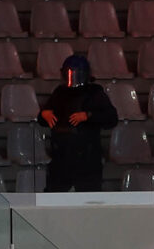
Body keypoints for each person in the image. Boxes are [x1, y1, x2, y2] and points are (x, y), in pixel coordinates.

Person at [40, 53, 120, 192]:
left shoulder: (94, 92)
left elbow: (111, 118)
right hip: (61, 156)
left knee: (88, 198)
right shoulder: (60, 92)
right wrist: (43, 114)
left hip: (87, 158)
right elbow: (43, 119)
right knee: (54, 198)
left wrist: (88, 116)